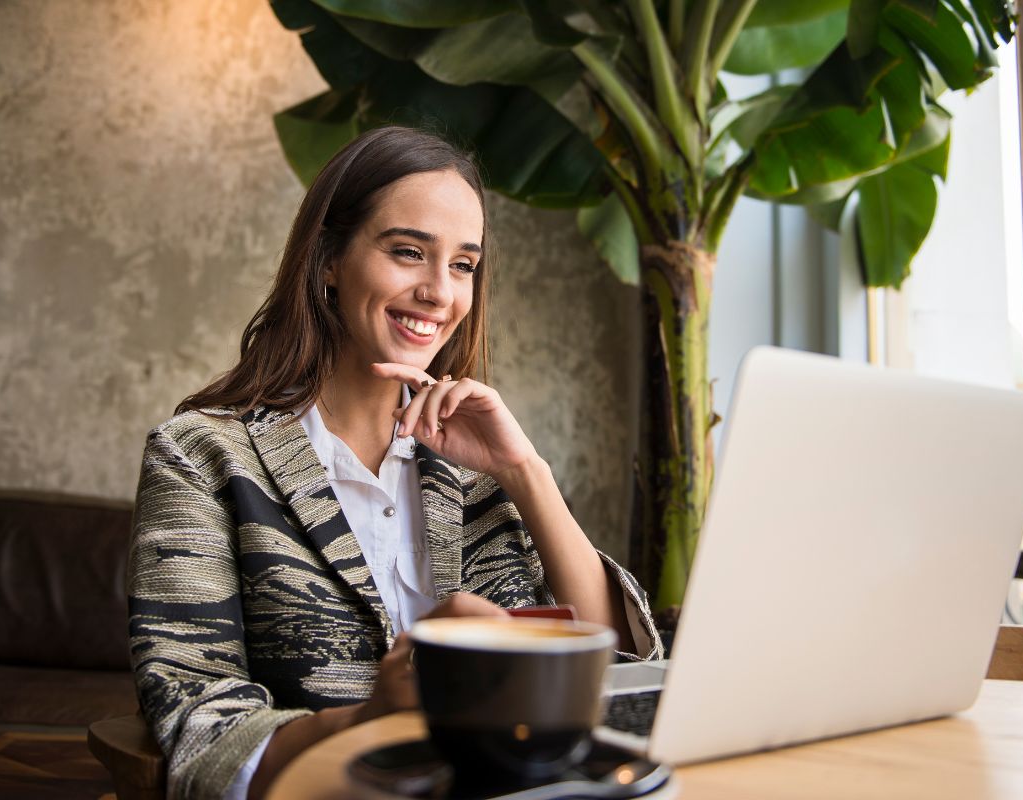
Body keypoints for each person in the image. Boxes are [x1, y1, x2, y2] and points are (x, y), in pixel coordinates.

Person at [128, 126, 663, 800]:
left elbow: (612, 674)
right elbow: (201, 728)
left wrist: (525, 470)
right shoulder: (200, 457)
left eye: (463, 265)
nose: (440, 292)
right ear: (328, 259)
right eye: (408, 252)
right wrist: (374, 714)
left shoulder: (475, 473)